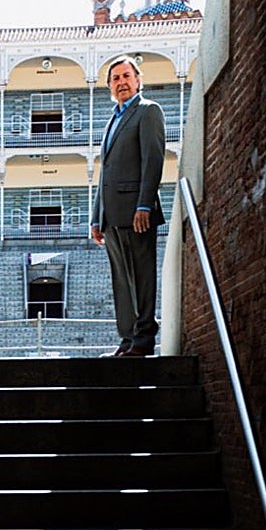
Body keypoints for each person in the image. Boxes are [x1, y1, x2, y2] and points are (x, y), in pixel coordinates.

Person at [90, 55, 166, 357]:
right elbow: (105, 172)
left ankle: (144, 340)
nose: (121, 83)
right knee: (121, 280)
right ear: (110, 86)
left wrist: (144, 205)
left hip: (137, 213)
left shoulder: (148, 111)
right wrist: (97, 217)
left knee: (141, 276)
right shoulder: (112, 119)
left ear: (138, 80)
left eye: (126, 76)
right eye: (115, 79)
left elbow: (153, 160)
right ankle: (127, 340)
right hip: (112, 215)